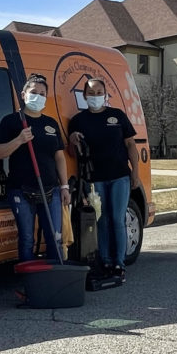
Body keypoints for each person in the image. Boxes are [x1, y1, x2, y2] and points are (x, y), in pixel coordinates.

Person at [0, 74, 71, 262]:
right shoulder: (11, 121)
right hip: (21, 189)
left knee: (55, 237)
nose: (38, 96)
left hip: (50, 189)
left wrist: (64, 186)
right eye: (34, 92)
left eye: (42, 94)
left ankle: (56, 274)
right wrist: (19, 140)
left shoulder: (50, 123)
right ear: (23, 94)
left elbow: (59, 157)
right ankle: (30, 276)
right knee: (27, 238)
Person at [68, 77, 139, 277]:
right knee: (102, 219)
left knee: (117, 218)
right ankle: (105, 261)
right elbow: (72, 153)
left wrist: (135, 172)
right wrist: (72, 141)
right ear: (84, 95)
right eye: (91, 93)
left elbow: (131, 145)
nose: (95, 96)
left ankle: (119, 263)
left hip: (119, 176)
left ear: (105, 94)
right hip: (95, 178)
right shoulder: (78, 120)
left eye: (99, 93)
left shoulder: (117, 115)